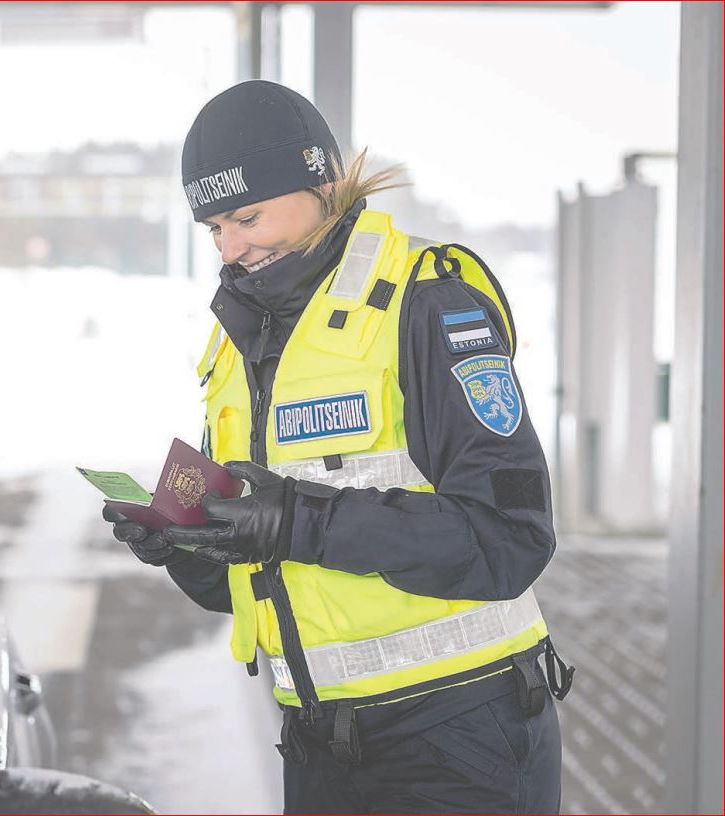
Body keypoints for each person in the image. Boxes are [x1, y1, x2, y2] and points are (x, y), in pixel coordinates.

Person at [103, 80, 574, 813]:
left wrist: (299, 520)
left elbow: (512, 538)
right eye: (214, 229)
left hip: (460, 743)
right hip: (323, 745)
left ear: (319, 183)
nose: (231, 247)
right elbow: (261, 579)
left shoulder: (428, 300)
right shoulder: (242, 341)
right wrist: (185, 543)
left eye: (247, 217)